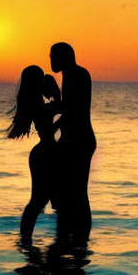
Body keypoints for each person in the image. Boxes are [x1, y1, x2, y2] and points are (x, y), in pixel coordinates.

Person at [6, 65, 62, 242]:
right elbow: (58, 114)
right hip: (45, 154)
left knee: (47, 200)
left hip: (46, 153)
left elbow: (58, 108)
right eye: (40, 76)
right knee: (38, 201)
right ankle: (25, 238)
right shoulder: (35, 105)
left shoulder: (37, 102)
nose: (44, 78)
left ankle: (26, 239)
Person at [49, 42, 96, 242]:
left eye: (52, 56)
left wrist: (52, 127)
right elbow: (68, 107)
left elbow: (73, 110)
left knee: (77, 192)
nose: (50, 60)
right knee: (70, 193)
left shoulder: (74, 75)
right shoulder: (73, 74)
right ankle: (74, 237)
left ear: (63, 57)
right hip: (75, 139)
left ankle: (79, 238)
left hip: (79, 140)